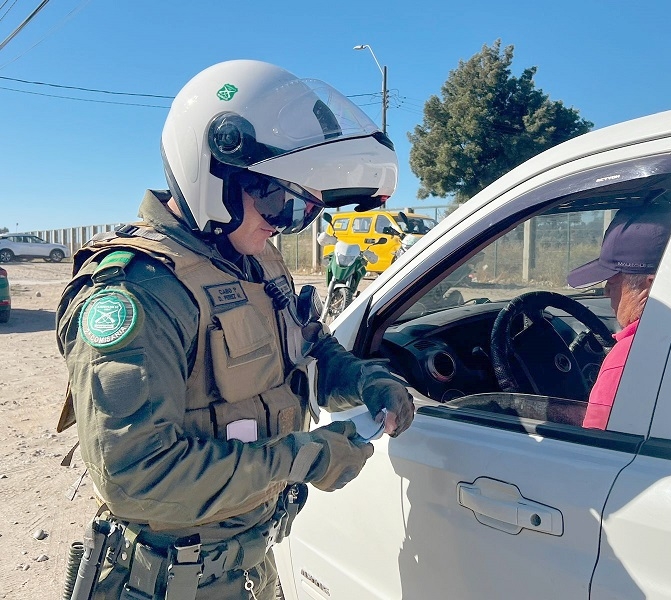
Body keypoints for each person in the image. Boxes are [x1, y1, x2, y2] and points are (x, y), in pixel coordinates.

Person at [55, 60, 414, 600]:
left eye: (305, 209)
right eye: (278, 199)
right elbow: (138, 478)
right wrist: (309, 456)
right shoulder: (138, 291)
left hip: (250, 563)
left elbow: (309, 348)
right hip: (172, 581)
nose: (286, 221)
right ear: (214, 174)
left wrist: (365, 380)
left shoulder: (257, 261)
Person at [567, 206, 671, 430]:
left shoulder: (630, 358)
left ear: (651, 284)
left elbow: (592, 447)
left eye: (614, 281)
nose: (606, 291)